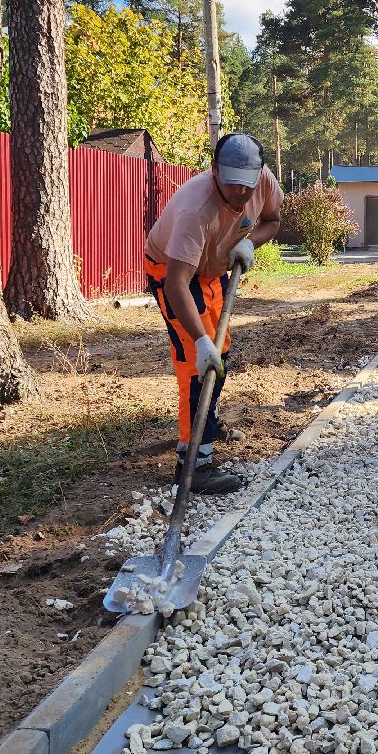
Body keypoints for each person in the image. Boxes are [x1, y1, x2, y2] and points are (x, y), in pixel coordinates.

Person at [144, 133, 283, 494]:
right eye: (231, 183)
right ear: (214, 170)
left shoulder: (262, 181)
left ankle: (206, 421)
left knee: (220, 355)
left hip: (213, 269)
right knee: (199, 364)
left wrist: (250, 243)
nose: (240, 192)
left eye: (247, 185)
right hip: (171, 272)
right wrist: (200, 340)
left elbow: (273, 219)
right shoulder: (196, 208)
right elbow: (176, 283)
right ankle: (194, 465)